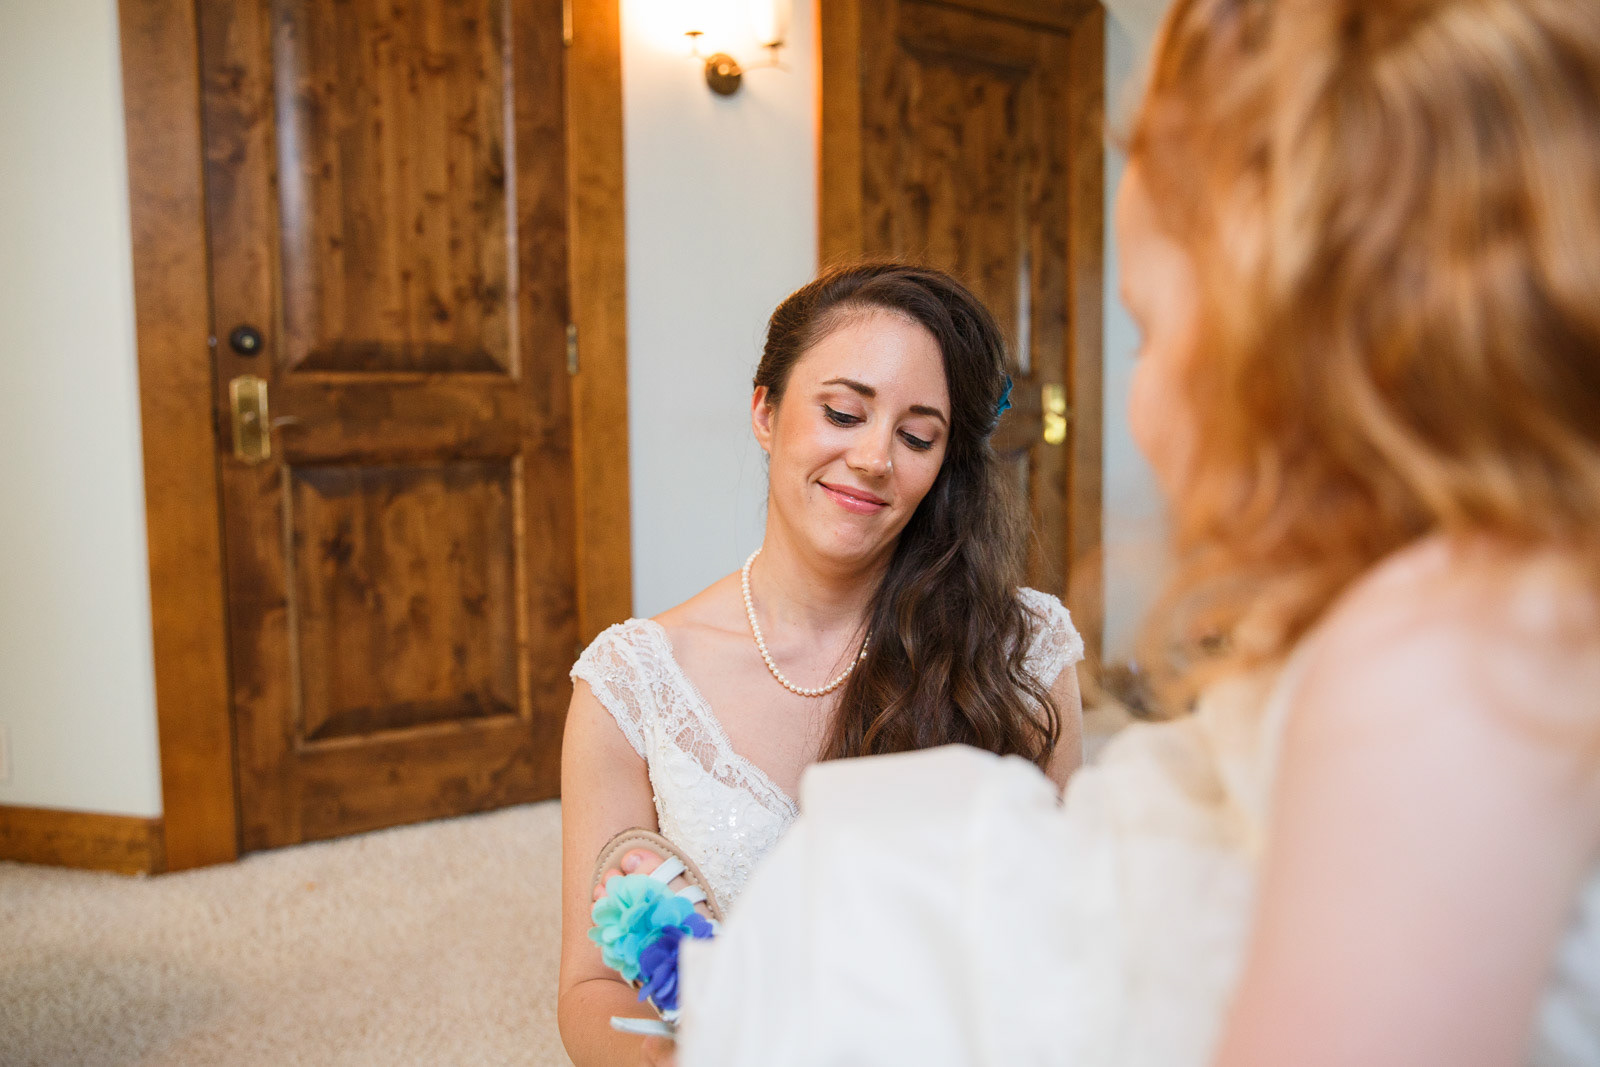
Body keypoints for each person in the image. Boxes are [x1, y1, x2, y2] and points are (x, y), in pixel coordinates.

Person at [674, 0, 1600, 1064]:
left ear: (1295, 350)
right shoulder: (1461, 615)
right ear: (766, 410)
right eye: (843, 412)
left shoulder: (1436, 664)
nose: (1139, 394)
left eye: (1149, 329)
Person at [556, 264, 1087, 1065]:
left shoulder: (1022, 651)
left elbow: (1069, 939)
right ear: (765, 412)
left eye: (917, 436)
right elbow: (593, 987)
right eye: (843, 412)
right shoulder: (631, 685)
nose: (874, 457)